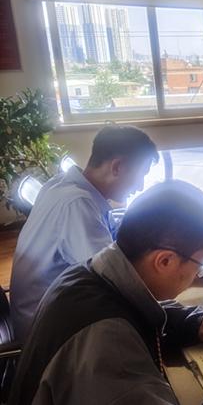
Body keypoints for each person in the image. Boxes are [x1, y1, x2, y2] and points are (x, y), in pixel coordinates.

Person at [8, 180, 203, 405]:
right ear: (164, 261)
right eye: (201, 263)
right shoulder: (107, 348)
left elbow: (127, 309)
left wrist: (188, 324)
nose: (199, 273)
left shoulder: (87, 275)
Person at [10, 124, 158, 341]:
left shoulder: (61, 184)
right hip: (46, 333)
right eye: (141, 174)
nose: (141, 186)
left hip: (46, 311)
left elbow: (111, 239)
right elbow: (113, 278)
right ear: (117, 167)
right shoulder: (77, 204)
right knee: (159, 321)